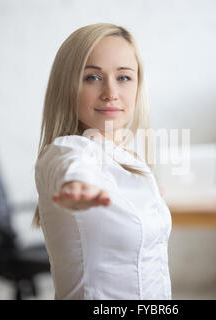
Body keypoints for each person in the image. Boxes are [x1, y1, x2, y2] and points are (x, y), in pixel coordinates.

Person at [33, 23, 172, 300]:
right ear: (67, 87)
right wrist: (77, 186)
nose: (111, 92)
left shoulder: (130, 159)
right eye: (92, 78)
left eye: (123, 78)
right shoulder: (65, 151)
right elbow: (72, 167)